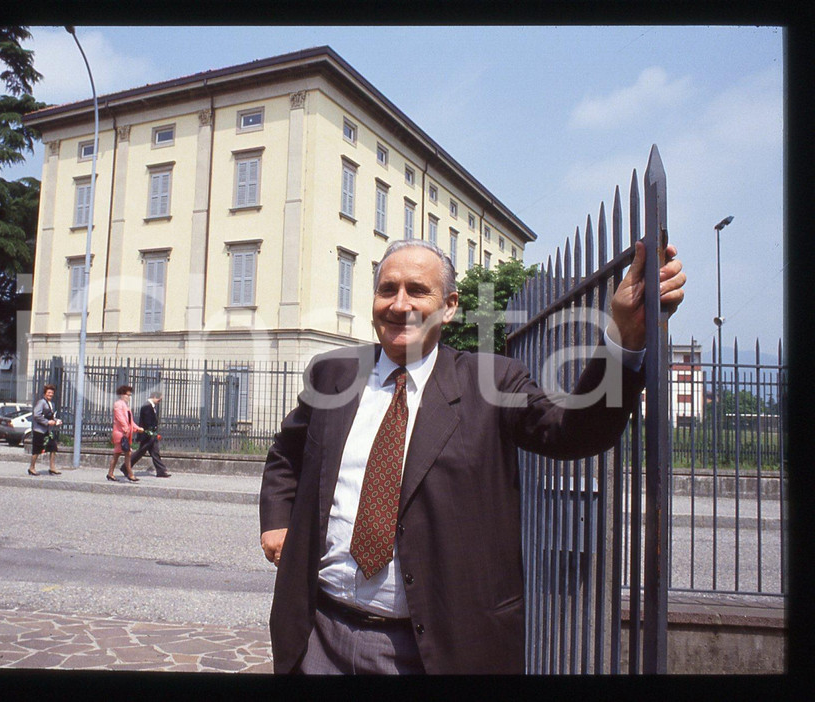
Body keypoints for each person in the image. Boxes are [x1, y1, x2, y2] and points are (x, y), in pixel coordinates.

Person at [259, 238, 686, 674]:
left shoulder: (492, 381)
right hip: (319, 635)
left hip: (436, 651)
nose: (398, 303)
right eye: (387, 289)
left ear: (449, 306)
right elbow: (287, 452)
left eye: (416, 290)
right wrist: (277, 519)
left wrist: (623, 340)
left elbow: (573, 432)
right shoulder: (334, 374)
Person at [130, 391, 171, 478]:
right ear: (154, 397)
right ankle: (126, 467)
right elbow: (148, 422)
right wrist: (152, 432)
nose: (159, 402)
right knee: (140, 452)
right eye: (159, 400)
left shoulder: (149, 406)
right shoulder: (147, 406)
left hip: (150, 435)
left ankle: (161, 471)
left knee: (155, 452)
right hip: (147, 435)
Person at [107, 385, 143, 482]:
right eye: (128, 395)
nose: (129, 397)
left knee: (117, 454)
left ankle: (110, 473)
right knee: (127, 453)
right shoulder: (119, 404)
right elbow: (120, 418)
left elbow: (130, 421)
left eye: (130, 395)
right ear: (122, 395)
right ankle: (130, 474)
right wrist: (125, 427)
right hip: (120, 433)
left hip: (124, 433)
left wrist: (136, 428)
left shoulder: (125, 406)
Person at [29, 384, 62, 476]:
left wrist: (56, 421)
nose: (50, 394)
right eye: (49, 392)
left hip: (47, 431)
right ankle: (31, 467)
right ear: (45, 394)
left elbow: (51, 417)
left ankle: (52, 467)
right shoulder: (41, 402)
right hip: (39, 430)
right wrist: (47, 422)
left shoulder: (52, 404)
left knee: (53, 447)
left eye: (52, 393)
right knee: (37, 450)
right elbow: (36, 415)